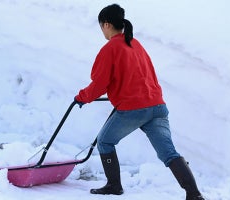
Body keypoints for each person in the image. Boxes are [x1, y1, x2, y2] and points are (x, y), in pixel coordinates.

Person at [74, 4, 205, 200]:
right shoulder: (135, 44)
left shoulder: (110, 48)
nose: (102, 31)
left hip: (134, 108)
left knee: (105, 141)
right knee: (169, 153)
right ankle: (194, 195)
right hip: (157, 106)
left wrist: (81, 97)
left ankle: (114, 185)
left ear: (107, 25)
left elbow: (100, 83)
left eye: (101, 26)